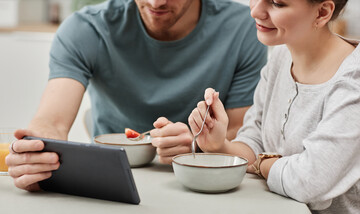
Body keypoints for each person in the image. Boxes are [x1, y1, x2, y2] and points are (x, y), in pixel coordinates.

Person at [5, 0, 267, 191]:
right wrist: (35, 154)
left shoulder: (244, 28)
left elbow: (239, 133)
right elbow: (52, 122)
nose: (156, 2)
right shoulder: (86, 28)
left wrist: (199, 145)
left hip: (202, 179)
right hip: (109, 183)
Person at [188, 0, 359, 214]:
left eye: (277, 3)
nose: (255, 10)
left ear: (322, 12)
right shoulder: (281, 56)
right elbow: (255, 137)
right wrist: (221, 146)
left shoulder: (353, 83)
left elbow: (308, 180)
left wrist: (259, 164)